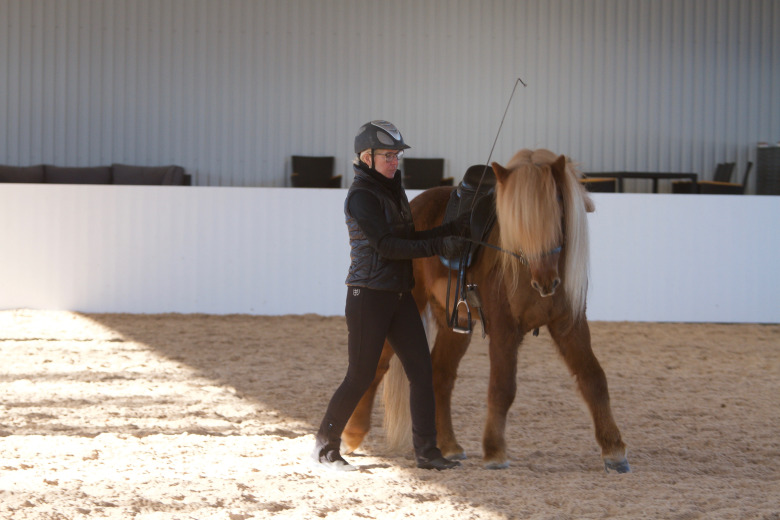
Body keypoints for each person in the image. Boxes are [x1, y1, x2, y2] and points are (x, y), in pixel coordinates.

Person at [312, 120, 468, 471]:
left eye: (397, 154)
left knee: (421, 370)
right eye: (388, 155)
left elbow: (410, 235)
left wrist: (451, 229)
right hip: (369, 296)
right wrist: (438, 243)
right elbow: (387, 246)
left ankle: (427, 452)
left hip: (399, 295)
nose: (394, 160)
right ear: (366, 157)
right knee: (360, 375)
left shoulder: (393, 192)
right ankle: (325, 445)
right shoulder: (362, 197)